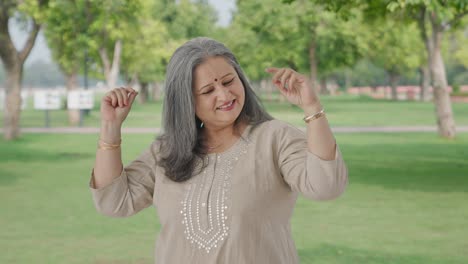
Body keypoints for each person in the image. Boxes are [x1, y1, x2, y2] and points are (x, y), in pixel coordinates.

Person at [89, 37, 348, 263]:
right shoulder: (167, 151)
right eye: (208, 90)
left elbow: (326, 186)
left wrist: (312, 108)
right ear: (187, 101)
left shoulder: (274, 138)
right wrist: (111, 126)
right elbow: (114, 203)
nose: (224, 96)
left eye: (228, 81)